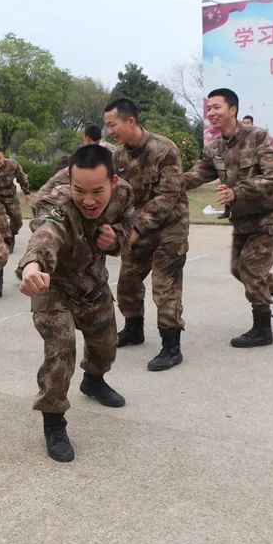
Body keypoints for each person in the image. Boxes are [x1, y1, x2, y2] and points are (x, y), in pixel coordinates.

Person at [17, 145, 133, 463]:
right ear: (69, 179)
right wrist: (32, 268)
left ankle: (94, 380)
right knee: (61, 347)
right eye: (80, 190)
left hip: (92, 281)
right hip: (51, 284)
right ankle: (54, 420)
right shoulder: (57, 201)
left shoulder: (124, 194)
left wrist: (116, 240)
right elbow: (45, 235)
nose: (89, 200)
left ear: (113, 181)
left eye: (98, 191)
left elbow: (128, 229)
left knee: (106, 346)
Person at [183, 88, 273, 347]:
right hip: (244, 215)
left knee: (251, 267)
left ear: (233, 110)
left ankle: (263, 328)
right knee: (238, 268)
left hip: (272, 211)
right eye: (208, 109)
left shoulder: (258, 136)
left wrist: (236, 192)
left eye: (217, 107)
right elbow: (196, 175)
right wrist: (165, 184)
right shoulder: (214, 148)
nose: (211, 113)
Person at [104, 98, 189, 371]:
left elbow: (170, 195)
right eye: (107, 126)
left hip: (169, 228)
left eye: (113, 125)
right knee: (127, 281)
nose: (110, 131)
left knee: (165, 286)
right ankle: (133, 329)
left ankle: (171, 347)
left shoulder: (164, 150)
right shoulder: (118, 156)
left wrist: (138, 227)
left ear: (131, 121)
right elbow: (117, 194)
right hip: (136, 230)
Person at [35, 124, 103, 215]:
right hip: (47, 201)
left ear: (85, 137)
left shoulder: (82, 156)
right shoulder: (80, 159)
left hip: (48, 198)